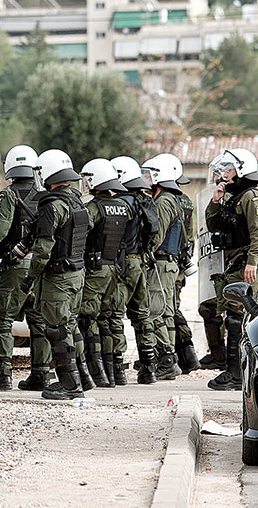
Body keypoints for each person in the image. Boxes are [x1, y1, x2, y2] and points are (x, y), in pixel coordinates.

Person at [19, 149, 88, 401]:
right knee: (70, 327)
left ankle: (70, 385)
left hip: (58, 277)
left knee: (57, 331)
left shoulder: (51, 205)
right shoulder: (77, 200)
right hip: (77, 274)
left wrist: (30, 277)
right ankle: (83, 377)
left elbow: (43, 248)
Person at [205, 148, 258, 391]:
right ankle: (234, 371)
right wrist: (216, 200)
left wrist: (253, 261)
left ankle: (237, 375)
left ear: (241, 170)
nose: (223, 173)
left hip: (248, 267)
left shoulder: (252, 197)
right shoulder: (234, 197)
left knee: (238, 319)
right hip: (236, 265)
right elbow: (213, 224)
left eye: (228, 169)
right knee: (232, 317)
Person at [0, 145, 47, 392]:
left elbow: (1, 231)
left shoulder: (9, 194)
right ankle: (41, 374)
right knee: (39, 321)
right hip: (40, 267)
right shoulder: (45, 195)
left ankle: (2, 375)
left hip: (15, 266)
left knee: (2, 320)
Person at [77, 159, 129, 390]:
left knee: (89, 319)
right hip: (114, 269)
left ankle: (97, 373)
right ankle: (114, 373)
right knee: (107, 318)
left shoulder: (94, 207)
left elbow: (83, 233)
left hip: (95, 269)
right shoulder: (123, 206)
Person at [110, 156, 160, 385]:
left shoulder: (122, 203)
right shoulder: (146, 200)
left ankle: (118, 369)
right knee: (142, 315)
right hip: (141, 261)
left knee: (115, 314)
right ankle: (149, 368)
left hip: (124, 263)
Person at [142, 154, 186, 382]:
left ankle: (167, 359)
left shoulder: (164, 201)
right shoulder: (171, 198)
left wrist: (144, 253)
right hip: (167, 264)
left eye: (149, 175)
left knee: (154, 310)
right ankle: (167, 358)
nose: (145, 179)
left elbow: (156, 235)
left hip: (160, 263)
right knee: (165, 311)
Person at [173, 173, 201, 374]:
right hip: (181, 261)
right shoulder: (186, 202)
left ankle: (186, 353)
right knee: (173, 306)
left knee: (169, 308)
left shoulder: (168, 201)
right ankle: (186, 354)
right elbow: (189, 236)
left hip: (170, 262)